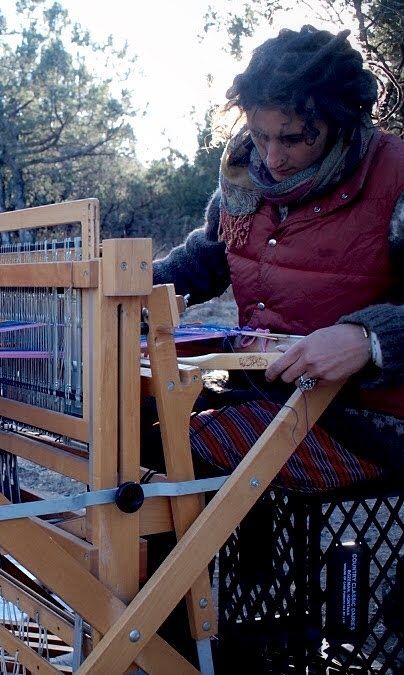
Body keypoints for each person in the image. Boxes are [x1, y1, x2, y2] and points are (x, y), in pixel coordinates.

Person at [153, 25, 403, 486]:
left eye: (291, 139)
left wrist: (367, 340)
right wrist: (125, 286)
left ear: (340, 119)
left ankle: (195, 560)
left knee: (181, 444)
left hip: (364, 421)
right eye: (259, 134)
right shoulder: (245, 176)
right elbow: (206, 261)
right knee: (134, 425)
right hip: (264, 395)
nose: (271, 157)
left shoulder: (395, 176)